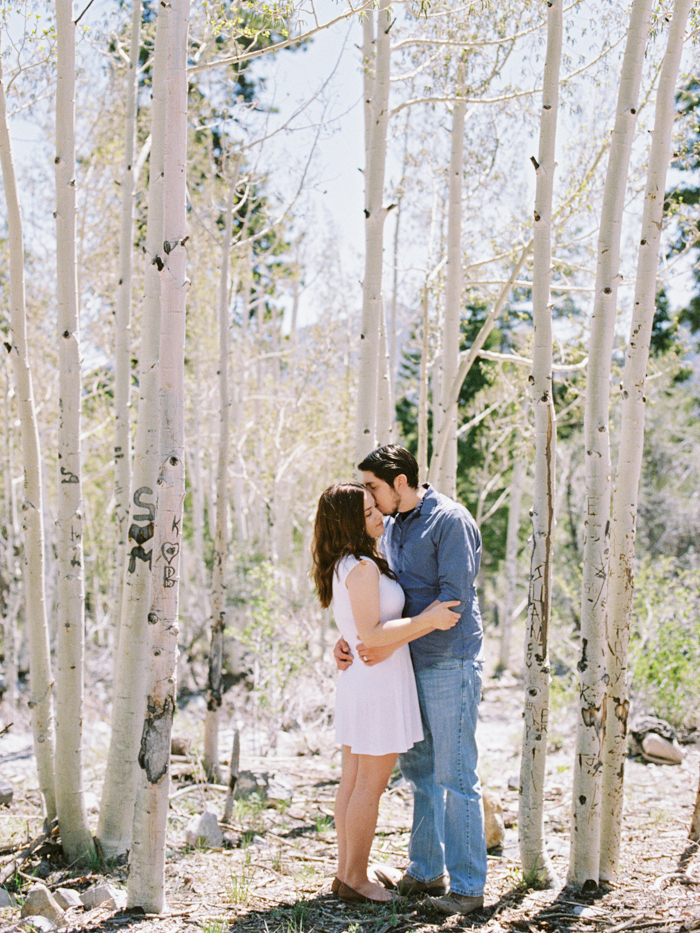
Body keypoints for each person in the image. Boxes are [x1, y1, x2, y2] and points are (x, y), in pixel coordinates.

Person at [334, 446, 487, 916]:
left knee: (456, 776)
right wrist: (353, 639)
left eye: (375, 488)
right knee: (419, 776)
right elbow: (378, 598)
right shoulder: (395, 525)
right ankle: (425, 872)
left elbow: (453, 602)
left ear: (400, 481)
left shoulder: (450, 520)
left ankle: (467, 888)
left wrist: (380, 638)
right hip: (403, 666)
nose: (371, 498)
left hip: (448, 662)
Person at [311, 482, 460, 904]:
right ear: (347, 523)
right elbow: (372, 634)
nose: (379, 515)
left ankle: (346, 873)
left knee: (355, 780)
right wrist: (429, 619)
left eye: (375, 506)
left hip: (367, 678)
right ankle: (356, 878)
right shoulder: (361, 567)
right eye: (367, 512)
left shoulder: (351, 563)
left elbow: (360, 629)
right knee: (368, 786)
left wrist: (348, 640)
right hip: (376, 682)